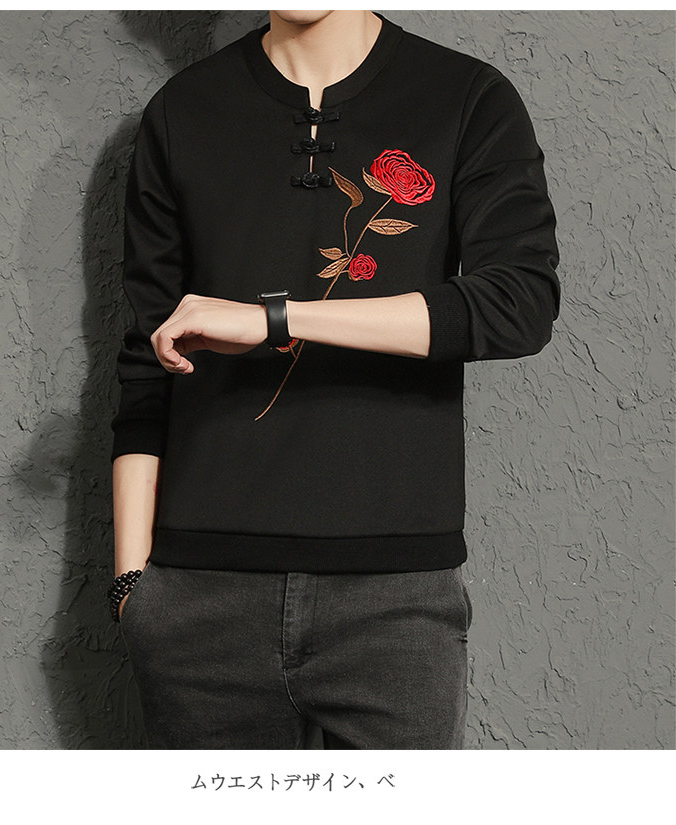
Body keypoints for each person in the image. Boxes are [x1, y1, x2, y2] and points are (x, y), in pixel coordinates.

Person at [108, 9, 560, 749]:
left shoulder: (467, 98)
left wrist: (278, 319)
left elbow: (518, 304)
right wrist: (133, 587)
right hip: (197, 598)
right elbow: (145, 363)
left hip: (395, 602)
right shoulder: (181, 113)